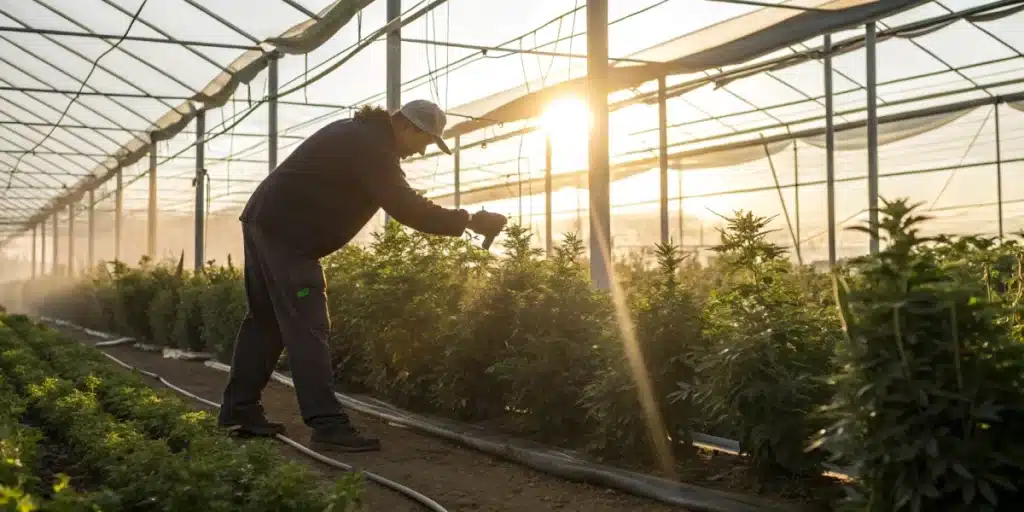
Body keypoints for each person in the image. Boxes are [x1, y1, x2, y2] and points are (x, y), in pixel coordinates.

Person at [218, 99, 508, 452]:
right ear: (408, 128)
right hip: (288, 236)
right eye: (426, 141)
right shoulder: (373, 145)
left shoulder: (363, 136)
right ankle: (327, 424)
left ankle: (239, 410)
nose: (421, 151)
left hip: (267, 222)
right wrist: (470, 221)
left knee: (265, 321)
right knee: (309, 327)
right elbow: (405, 206)